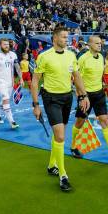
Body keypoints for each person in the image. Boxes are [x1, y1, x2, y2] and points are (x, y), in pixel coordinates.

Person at [31, 26, 90, 192]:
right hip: (51, 98)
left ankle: (51, 165)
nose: (67, 39)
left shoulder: (71, 56)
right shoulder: (44, 57)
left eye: (67, 36)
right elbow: (35, 81)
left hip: (67, 97)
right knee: (61, 135)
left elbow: (77, 77)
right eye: (64, 37)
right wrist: (35, 105)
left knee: (59, 135)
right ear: (55, 38)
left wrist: (83, 95)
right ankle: (63, 175)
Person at [69, 35, 108, 164]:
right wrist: (81, 96)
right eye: (97, 43)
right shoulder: (83, 59)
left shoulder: (100, 57)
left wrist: (102, 84)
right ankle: (73, 147)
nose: (100, 45)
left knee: (105, 120)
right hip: (86, 96)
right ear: (89, 45)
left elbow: (98, 73)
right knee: (80, 122)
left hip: (99, 93)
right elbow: (76, 78)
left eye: (100, 43)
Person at [0, 37, 21, 129]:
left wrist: (21, 78)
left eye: (8, 44)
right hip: (0, 81)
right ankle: (12, 122)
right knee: (6, 99)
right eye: (5, 44)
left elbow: (17, 67)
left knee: (4, 100)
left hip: (10, 82)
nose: (7, 46)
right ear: (0, 45)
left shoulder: (13, 55)